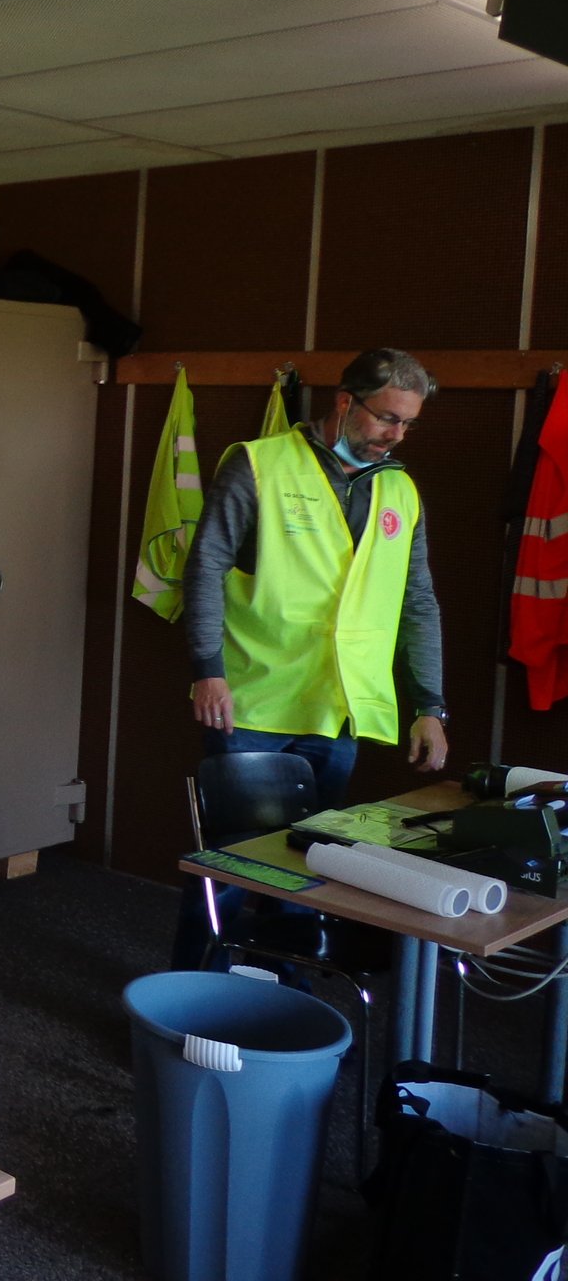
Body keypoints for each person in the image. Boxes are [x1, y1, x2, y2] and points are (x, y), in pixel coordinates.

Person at [175, 347, 448, 966]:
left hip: (338, 709)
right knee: (231, 868)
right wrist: (207, 671)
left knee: (309, 870)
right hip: (253, 701)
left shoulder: (400, 490)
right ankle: (194, 990)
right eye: (387, 418)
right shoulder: (259, 463)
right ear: (345, 401)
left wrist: (430, 706)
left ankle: (283, 998)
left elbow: (419, 601)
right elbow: (205, 566)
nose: (396, 435)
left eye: (408, 423)